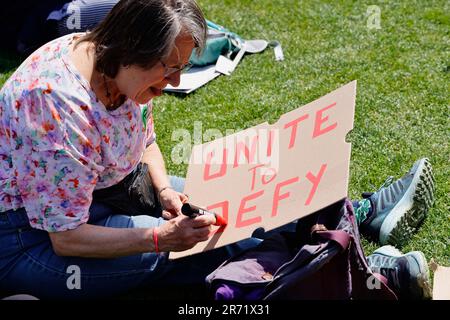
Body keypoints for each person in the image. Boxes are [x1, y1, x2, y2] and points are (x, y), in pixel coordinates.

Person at [0, 0, 435, 300]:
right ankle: (363, 273)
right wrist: (157, 238)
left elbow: (143, 139)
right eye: (168, 69)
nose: (173, 82)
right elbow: (66, 237)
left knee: (238, 200)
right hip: (31, 240)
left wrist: (165, 192)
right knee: (199, 247)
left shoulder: (115, 66)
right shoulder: (55, 104)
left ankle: (357, 216)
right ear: (132, 50)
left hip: (103, 193)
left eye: (180, 68)